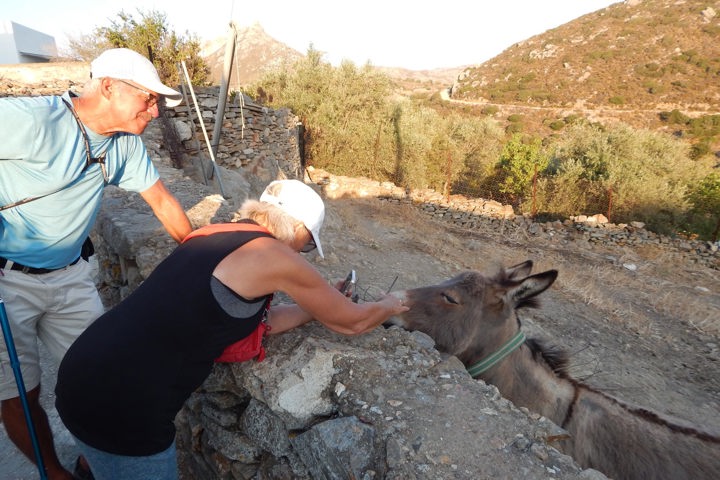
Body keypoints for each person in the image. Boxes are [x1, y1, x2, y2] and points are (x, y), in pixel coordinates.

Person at [54, 179, 408, 480]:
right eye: (309, 243)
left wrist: (311, 309)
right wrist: (391, 304)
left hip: (86, 371)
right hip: (122, 406)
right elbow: (352, 321)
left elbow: (252, 321)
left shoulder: (215, 233)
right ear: (299, 229)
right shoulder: (275, 255)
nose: (305, 252)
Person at [0, 48, 193, 480]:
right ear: (109, 87)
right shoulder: (33, 121)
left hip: (72, 277)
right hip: (6, 281)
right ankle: (54, 472)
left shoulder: (124, 145)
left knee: (102, 378)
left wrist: (205, 259)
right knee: (18, 395)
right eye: (148, 98)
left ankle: (94, 462)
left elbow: (161, 201)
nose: (155, 108)